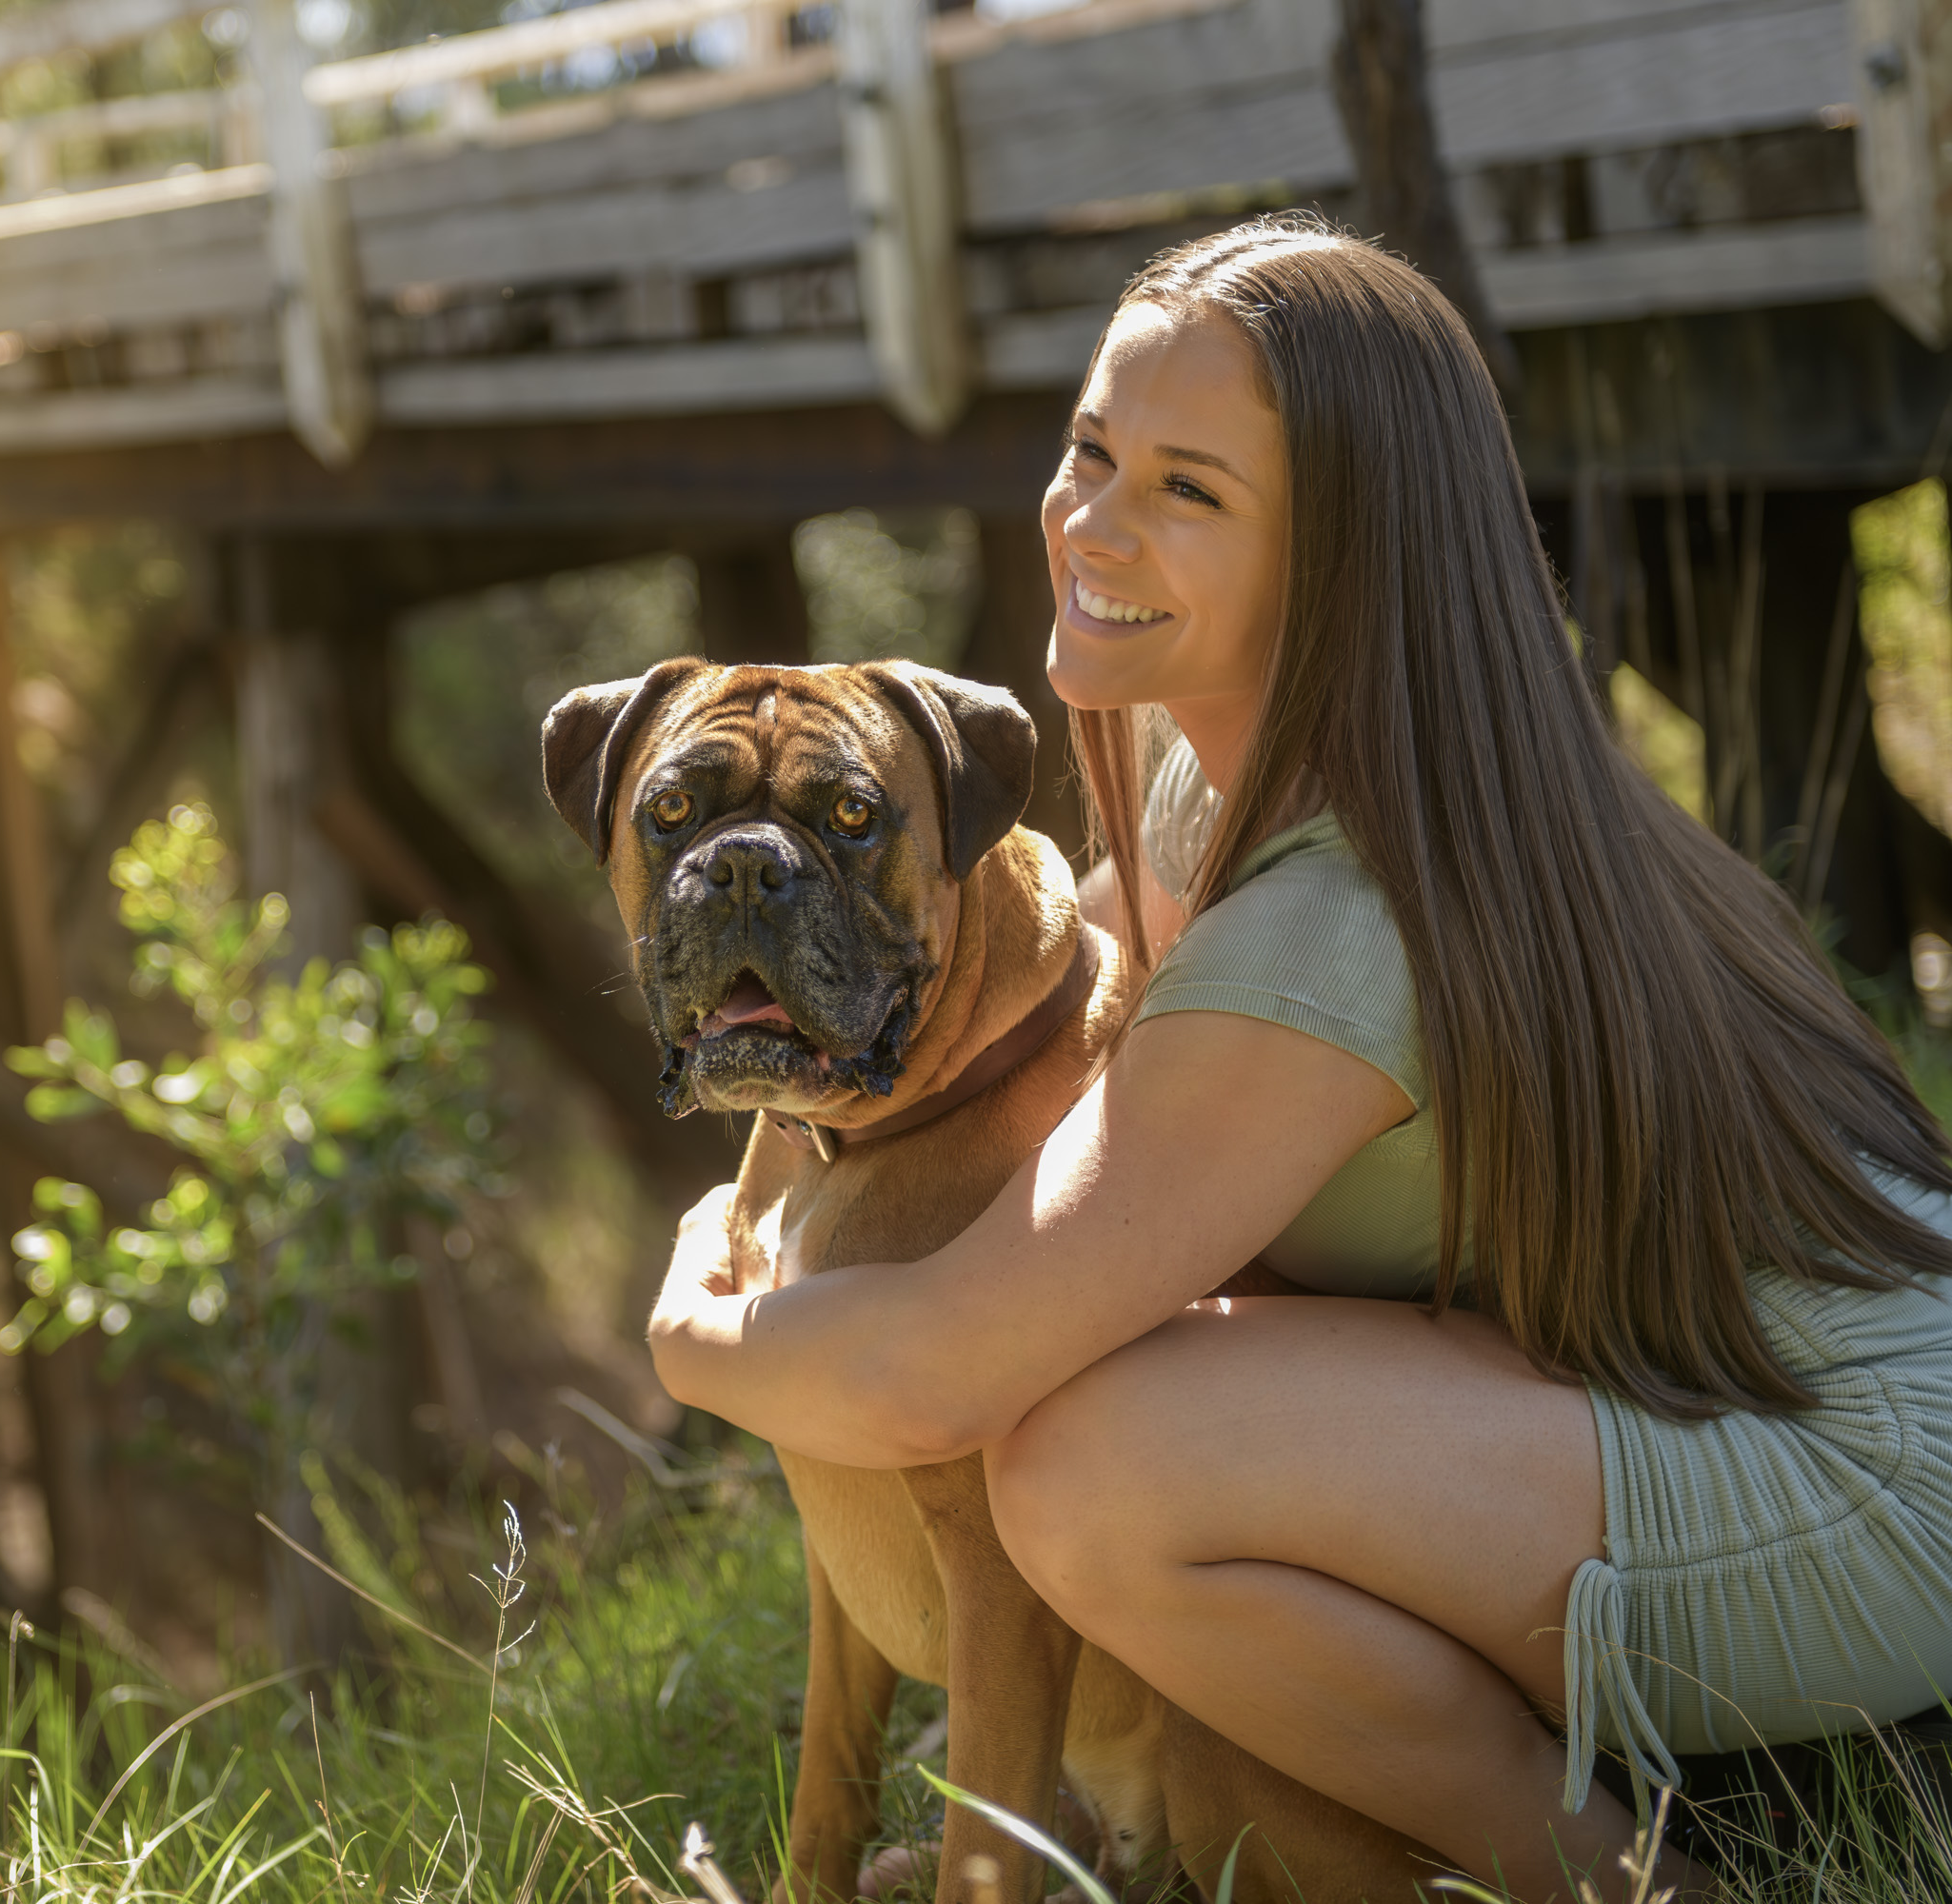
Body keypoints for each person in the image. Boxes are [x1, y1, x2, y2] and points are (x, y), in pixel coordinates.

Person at [644, 213, 1952, 1902]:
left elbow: (930, 1379)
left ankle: (1622, 1882)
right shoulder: (1273, 768)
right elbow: (1057, 986)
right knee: (1130, 1419)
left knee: (1096, 1465)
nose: (1092, 525)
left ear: (1344, 554)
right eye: (1093, 450)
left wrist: (700, 1321)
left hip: (1870, 1494)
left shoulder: (1339, 918)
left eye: (1189, 491)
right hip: (1748, 1388)